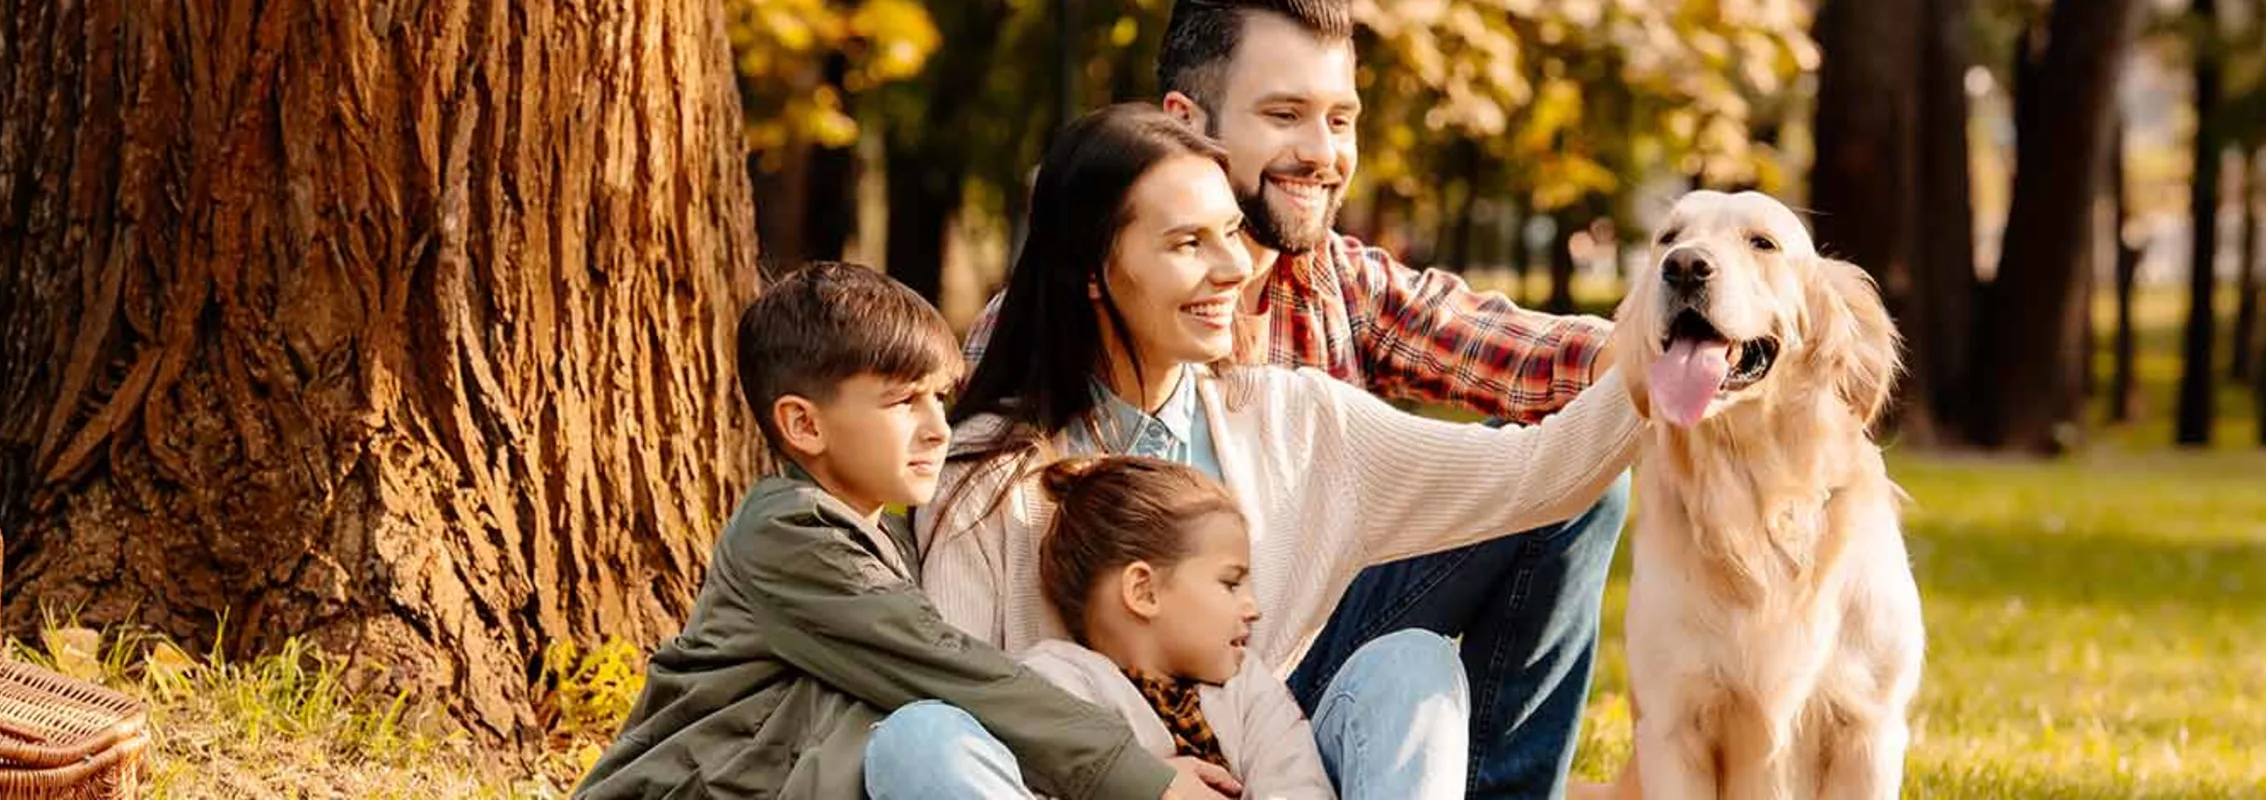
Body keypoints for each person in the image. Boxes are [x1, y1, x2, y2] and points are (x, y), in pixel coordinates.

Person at [966, 3, 1635, 795]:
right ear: (1188, 123)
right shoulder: (1047, 333)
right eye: (1285, 114)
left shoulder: (1335, 284)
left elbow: (1525, 355)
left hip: (1293, 651)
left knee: (1574, 496)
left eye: (1341, 119)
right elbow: (984, 594)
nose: (1323, 153)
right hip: (1120, 700)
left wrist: (1682, 349)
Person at [575, 264, 1232, 800]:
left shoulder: (889, 539)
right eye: (901, 402)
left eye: (938, 399)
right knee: (931, 732)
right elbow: (950, 666)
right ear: (804, 425)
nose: (937, 428)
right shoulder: (791, 533)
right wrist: (1144, 779)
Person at [1018, 455, 1334, 799]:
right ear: (1144, 591)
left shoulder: (1251, 692)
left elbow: (1300, 787)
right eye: (1230, 583)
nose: (1253, 609)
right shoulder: (1056, 686)